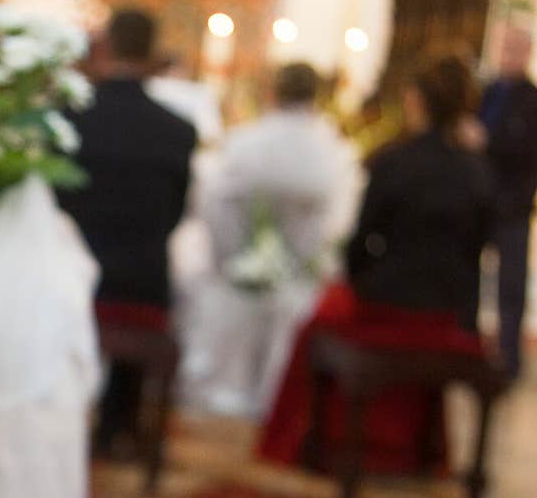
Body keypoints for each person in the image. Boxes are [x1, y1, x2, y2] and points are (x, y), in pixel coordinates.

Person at [259, 55, 495, 474]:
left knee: (314, 326)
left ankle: (316, 442)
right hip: (447, 308)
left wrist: (356, 281)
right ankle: (415, 452)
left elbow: (365, 240)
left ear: (415, 100)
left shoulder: (393, 161)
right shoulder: (476, 172)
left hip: (388, 300)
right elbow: (476, 250)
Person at [180, 61, 360, 419]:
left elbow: (217, 202)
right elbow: (341, 222)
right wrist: (310, 262)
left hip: (239, 271)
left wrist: (231, 258)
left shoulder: (248, 142)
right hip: (301, 277)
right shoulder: (334, 152)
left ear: (272, 92)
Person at [57, 8, 197, 452]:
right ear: (152, 52)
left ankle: (65, 416)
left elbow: (57, 203)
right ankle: (119, 421)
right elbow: (175, 213)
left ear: (107, 45)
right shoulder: (178, 130)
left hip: (73, 274)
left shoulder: (72, 117)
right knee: (149, 269)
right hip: (142, 277)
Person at [478, 26, 537, 380]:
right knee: (466, 274)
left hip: (512, 204)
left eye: (517, 48)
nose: (509, 54)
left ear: (528, 53)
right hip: (480, 201)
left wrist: (487, 139)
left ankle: (510, 359)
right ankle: (466, 345)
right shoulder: (487, 91)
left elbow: (527, 151)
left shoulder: (532, 99)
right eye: (506, 46)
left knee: (511, 286)